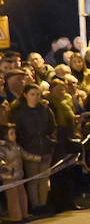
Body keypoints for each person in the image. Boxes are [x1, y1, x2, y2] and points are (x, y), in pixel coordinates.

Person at [9, 83, 55, 212]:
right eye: (32, 94)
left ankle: (43, 204)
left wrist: (51, 142)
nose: (35, 97)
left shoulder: (45, 110)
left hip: (45, 148)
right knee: (33, 179)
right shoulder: (20, 113)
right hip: (29, 149)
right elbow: (19, 132)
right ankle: (36, 206)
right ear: (25, 95)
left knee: (44, 179)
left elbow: (52, 127)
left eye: (38, 94)